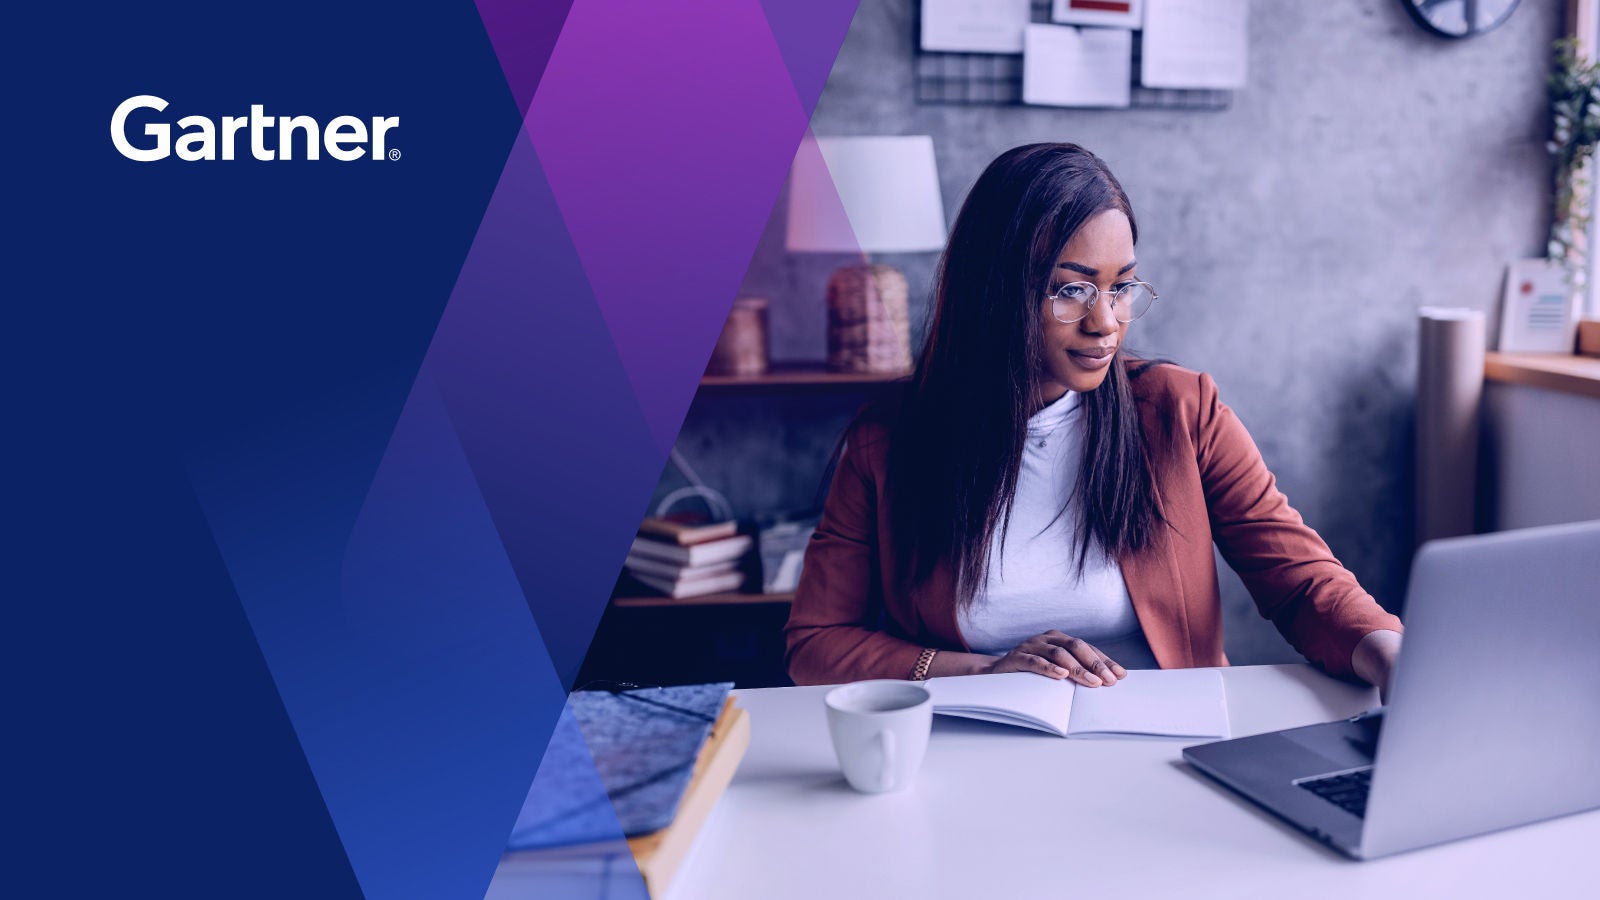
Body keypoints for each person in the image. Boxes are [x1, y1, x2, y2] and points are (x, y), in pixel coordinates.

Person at [784, 143, 1403, 694]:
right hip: (979, 755)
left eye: (1121, 287)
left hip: (1167, 755)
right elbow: (816, 643)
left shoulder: (1182, 412)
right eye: (1071, 290)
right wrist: (982, 670)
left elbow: (1299, 580)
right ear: (996, 292)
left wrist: (1391, 656)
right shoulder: (889, 440)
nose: (1105, 321)